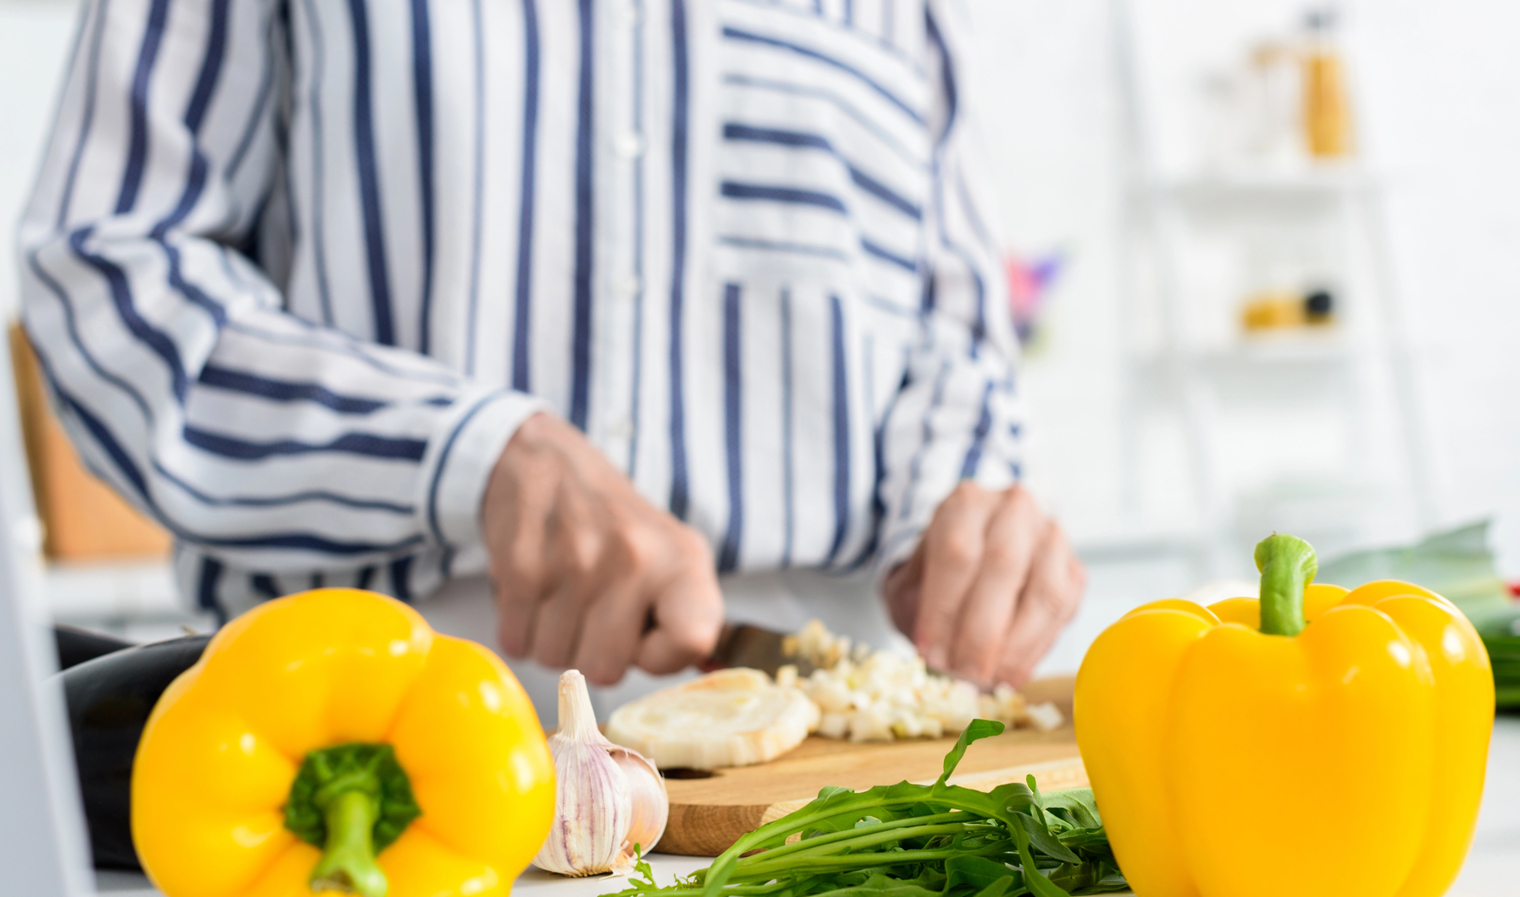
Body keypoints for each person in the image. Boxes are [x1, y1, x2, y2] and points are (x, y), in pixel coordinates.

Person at [19, 0, 1083, 717]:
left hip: (832, 775)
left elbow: (953, 329)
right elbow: (109, 270)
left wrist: (961, 513)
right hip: (357, 730)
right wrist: (468, 456)